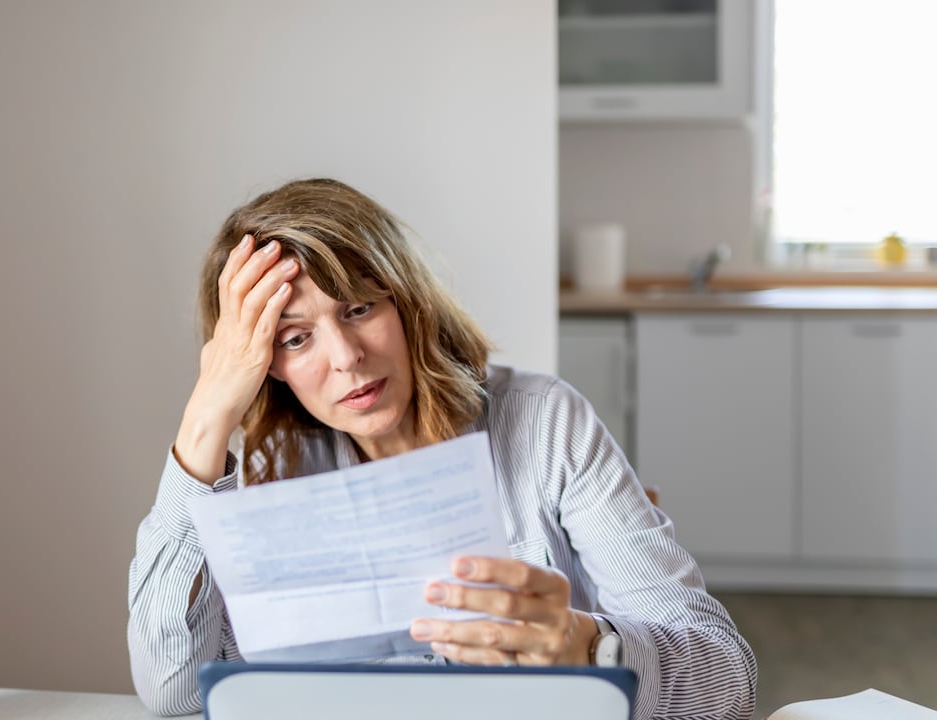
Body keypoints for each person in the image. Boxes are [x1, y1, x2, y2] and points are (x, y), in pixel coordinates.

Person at [127, 178, 757, 719]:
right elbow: (171, 690)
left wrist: (588, 648)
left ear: (408, 303)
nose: (347, 359)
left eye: (360, 308)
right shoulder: (264, 475)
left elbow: (727, 679)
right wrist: (205, 420)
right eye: (295, 339)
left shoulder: (544, 425)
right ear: (262, 366)